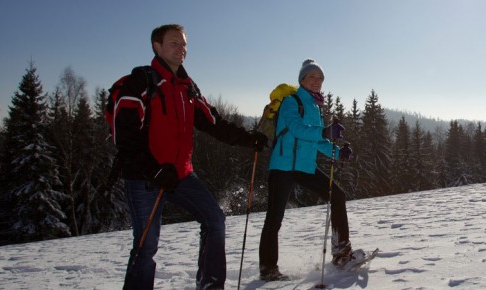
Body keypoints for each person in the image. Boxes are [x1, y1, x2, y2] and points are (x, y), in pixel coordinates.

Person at [114, 24, 268, 290]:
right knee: (146, 245)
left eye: (184, 44)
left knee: (214, 219)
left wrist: (249, 138)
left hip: (181, 175)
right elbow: (124, 136)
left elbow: (213, 122)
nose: (181, 49)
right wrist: (153, 170)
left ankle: (210, 286)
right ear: (157, 46)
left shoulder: (187, 87)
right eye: (174, 43)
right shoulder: (140, 82)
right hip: (145, 178)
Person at [258, 59, 354, 281]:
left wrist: (339, 153)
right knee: (274, 219)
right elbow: (298, 129)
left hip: (304, 166)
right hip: (283, 166)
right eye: (312, 77)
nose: (317, 81)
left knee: (338, 196)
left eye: (320, 78)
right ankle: (268, 269)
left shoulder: (314, 107)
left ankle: (341, 251)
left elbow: (317, 139)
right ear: (302, 79)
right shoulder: (292, 102)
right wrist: (324, 132)